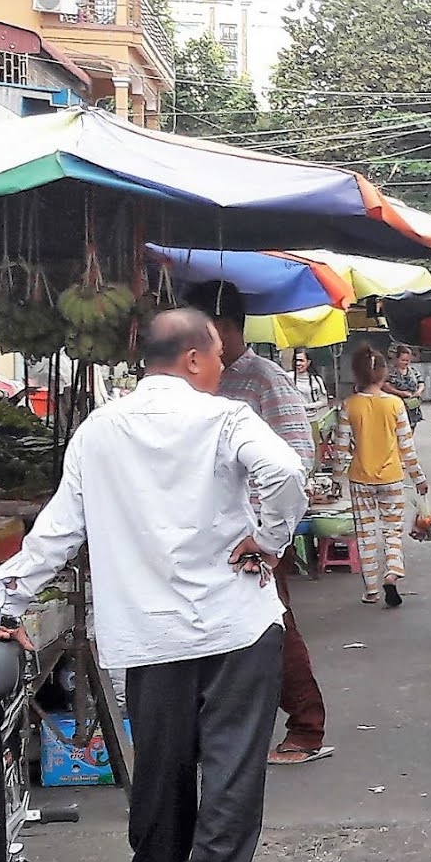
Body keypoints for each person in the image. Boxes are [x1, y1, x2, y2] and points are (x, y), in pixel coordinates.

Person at [0, 308, 305, 862]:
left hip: (149, 632)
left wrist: (4, 600)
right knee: (232, 762)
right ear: (192, 358)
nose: (221, 368)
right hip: (236, 622)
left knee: (159, 763)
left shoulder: (98, 432)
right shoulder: (226, 421)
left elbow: (56, 534)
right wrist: (268, 538)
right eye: (216, 356)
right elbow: (287, 473)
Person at [182, 280, 331, 768]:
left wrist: (266, 533)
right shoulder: (195, 384)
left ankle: (306, 726)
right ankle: (222, 731)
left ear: (222, 329)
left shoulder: (264, 379)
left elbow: (298, 456)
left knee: (273, 624)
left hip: (253, 534)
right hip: (202, 531)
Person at [326, 347, 428, 613]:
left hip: (360, 478)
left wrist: (336, 479)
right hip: (392, 477)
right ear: (384, 373)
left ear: (357, 373)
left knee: (366, 533)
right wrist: (418, 478)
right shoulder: (395, 404)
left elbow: (341, 447)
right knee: (392, 531)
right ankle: (392, 573)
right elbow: (407, 446)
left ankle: (371, 590)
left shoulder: (350, 405)